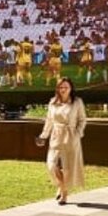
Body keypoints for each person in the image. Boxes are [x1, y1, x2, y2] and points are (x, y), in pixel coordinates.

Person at [35, 77, 86, 205]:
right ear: (57, 88)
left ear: (70, 89)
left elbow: (82, 120)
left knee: (68, 168)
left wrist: (77, 134)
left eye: (66, 87)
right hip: (56, 136)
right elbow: (49, 121)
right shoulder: (52, 102)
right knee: (51, 165)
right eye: (61, 87)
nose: (63, 90)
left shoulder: (77, 102)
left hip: (71, 136)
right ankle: (61, 186)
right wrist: (43, 136)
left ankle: (64, 194)